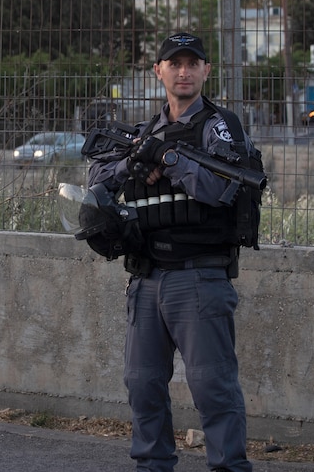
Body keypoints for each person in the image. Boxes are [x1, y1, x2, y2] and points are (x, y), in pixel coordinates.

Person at [87, 32, 254, 472]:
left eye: (192, 63)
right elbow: (97, 180)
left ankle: (229, 466)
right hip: (145, 278)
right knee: (142, 386)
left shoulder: (220, 126)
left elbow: (222, 187)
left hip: (198, 277)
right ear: (157, 71)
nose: (183, 71)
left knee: (213, 389)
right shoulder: (143, 132)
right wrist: (136, 161)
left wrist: (173, 160)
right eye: (173, 63)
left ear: (206, 71)